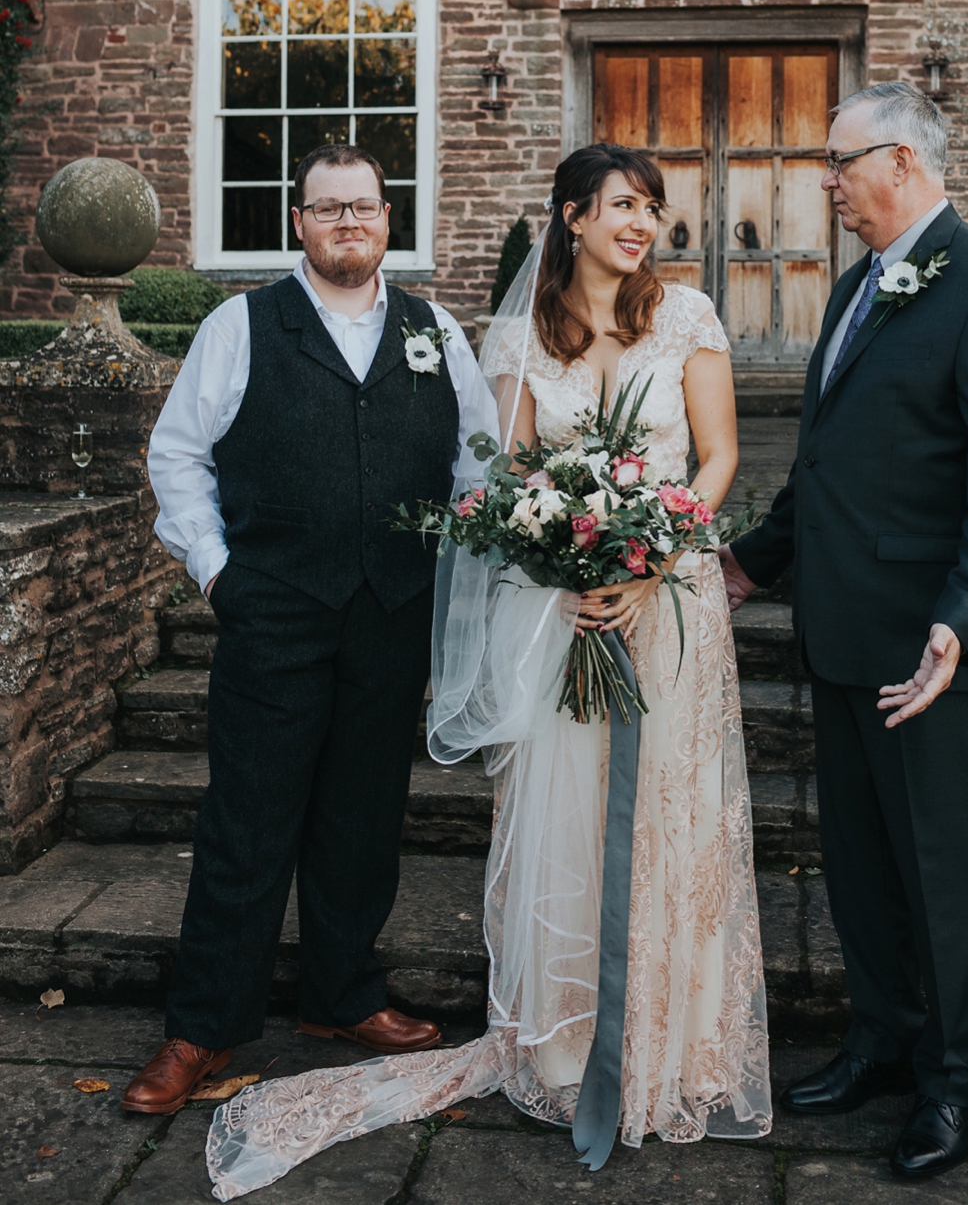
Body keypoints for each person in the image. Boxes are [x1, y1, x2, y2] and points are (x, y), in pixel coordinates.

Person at [203, 142, 771, 1199]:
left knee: (669, 818)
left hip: (670, 603)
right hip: (560, 609)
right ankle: (561, 1041)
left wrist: (655, 554)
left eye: (651, 207)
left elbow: (720, 453)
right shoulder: (514, 335)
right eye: (619, 205)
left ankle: (670, 1043)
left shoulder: (689, 318)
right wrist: (565, 566)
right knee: (561, 819)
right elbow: (503, 480)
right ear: (569, 216)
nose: (640, 223)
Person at [122, 144, 496, 1117]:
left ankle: (344, 995)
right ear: (299, 221)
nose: (347, 223)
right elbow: (177, 453)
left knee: (364, 816)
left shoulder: (434, 329)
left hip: (392, 610)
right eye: (327, 208)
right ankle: (202, 1024)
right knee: (248, 820)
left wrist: (452, 560)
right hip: (274, 606)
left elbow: (479, 459)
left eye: (362, 207)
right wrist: (218, 571)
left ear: (387, 217)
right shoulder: (242, 324)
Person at [722, 81, 968, 1182]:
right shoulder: (857, 284)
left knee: (944, 877)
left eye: (839, 159)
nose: (827, 178)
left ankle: (954, 1085)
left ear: (902, 160)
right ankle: (880, 1042)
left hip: (935, 651)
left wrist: (964, 614)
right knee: (860, 867)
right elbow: (824, 458)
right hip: (843, 633)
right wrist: (750, 560)